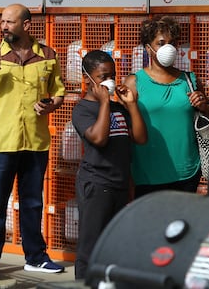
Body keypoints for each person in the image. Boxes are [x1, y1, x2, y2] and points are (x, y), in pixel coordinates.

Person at [0, 4, 66, 273]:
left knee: (33, 202)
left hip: (35, 142)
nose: (3, 27)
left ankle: (36, 257)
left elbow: (58, 90)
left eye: (10, 22)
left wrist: (52, 105)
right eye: (2, 22)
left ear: (27, 25)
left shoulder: (47, 55)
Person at [71, 50, 147, 279]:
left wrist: (131, 105)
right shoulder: (82, 109)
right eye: (103, 76)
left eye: (112, 75)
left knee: (113, 244)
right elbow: (98, 138)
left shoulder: (118, 108)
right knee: (90, 244)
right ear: (88, 79)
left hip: (120, 184)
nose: (109, 81)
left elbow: (141, 138)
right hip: (96, 184)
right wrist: (105, 103)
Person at [124, 15, 209, 198]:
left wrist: (203, 104)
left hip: (187, 171)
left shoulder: (189, 80)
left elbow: (208, 114)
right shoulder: (134, 82)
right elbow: (126, 128)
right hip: (147, 173)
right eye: (161, 43)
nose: (168, 48)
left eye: (172, 43)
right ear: (148, 47)